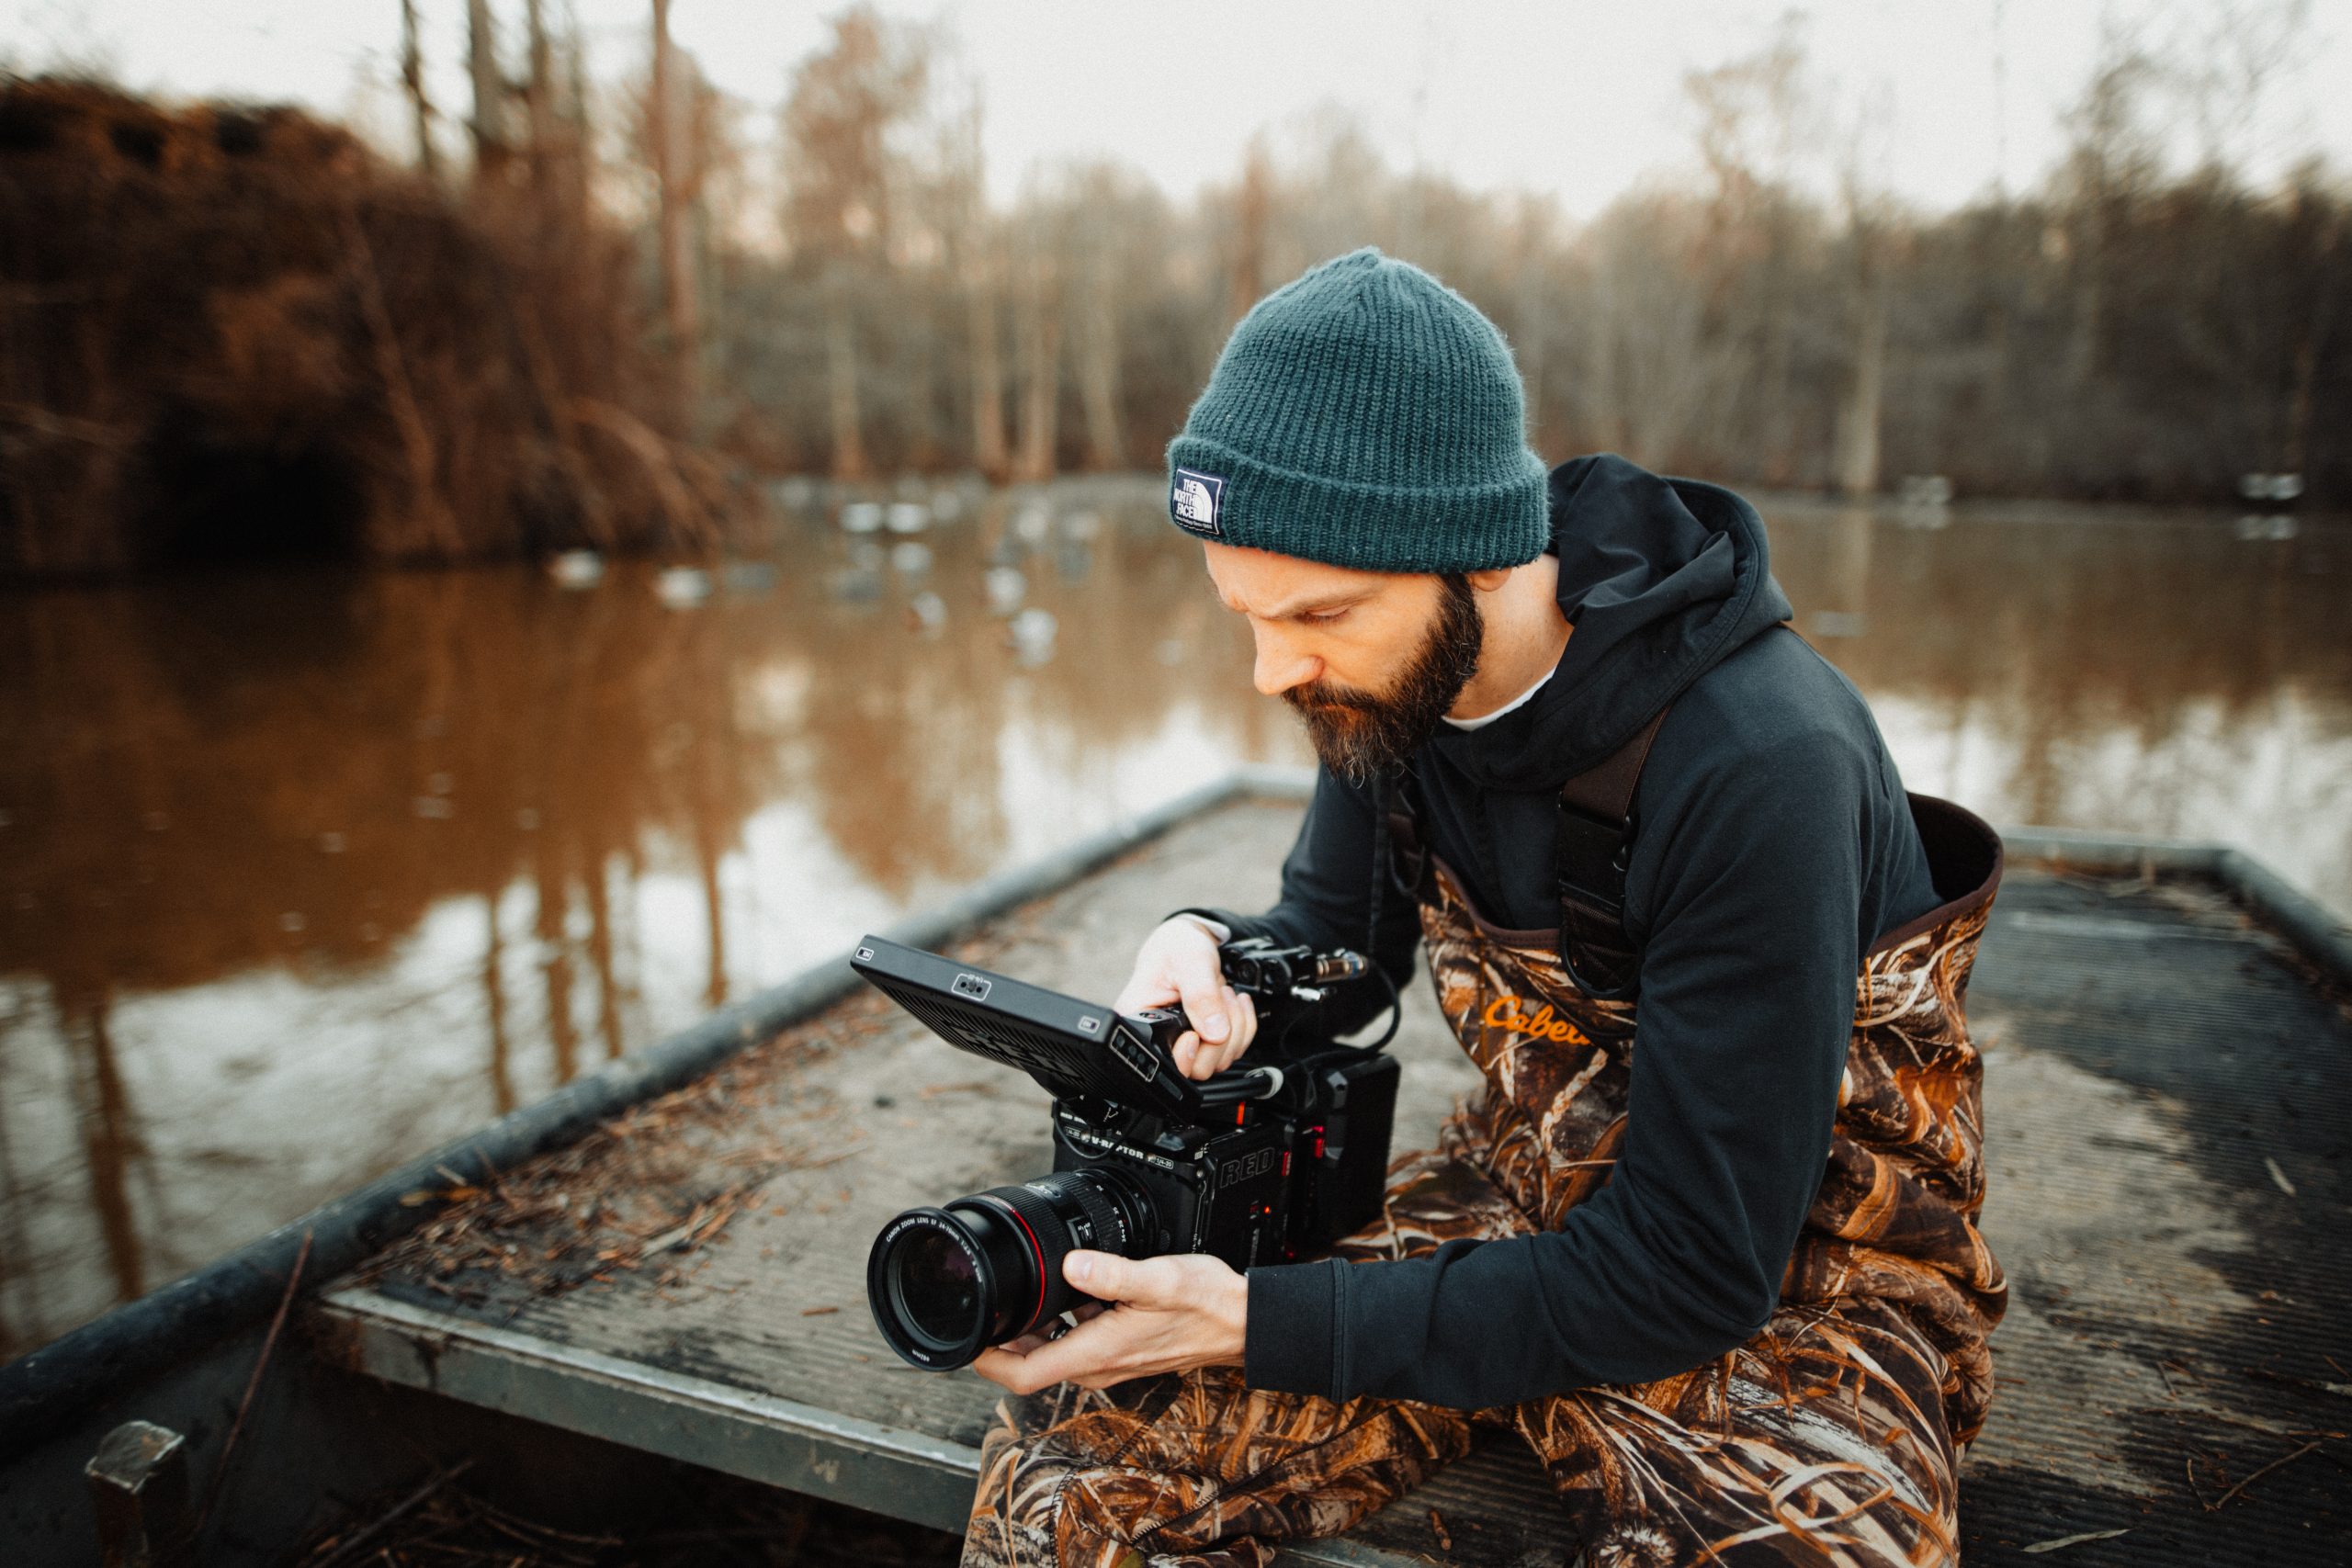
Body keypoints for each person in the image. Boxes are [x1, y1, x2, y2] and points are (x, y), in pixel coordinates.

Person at [961, 248, 2006, 1568]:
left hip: (1795, 1273)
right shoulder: (1384, 687)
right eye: (1244, 611)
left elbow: (1694, 1267)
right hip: (1521, 1184)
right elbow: (1336, 948)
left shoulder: (1759, 762)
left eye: (1318, 612)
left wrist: (1258, 1319)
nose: (1273, 668)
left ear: (1484, 557)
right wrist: (1221, 956)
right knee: (1070, 1473)